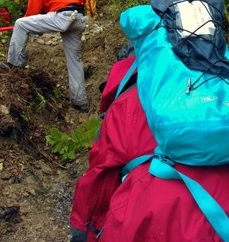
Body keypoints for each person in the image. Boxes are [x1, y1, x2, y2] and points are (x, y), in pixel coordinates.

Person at [70, 55, 229, 241]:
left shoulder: (130, 99)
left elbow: (101, 177)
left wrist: (84, 231)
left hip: (150, 221)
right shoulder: (221, 90)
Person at [7, 0, 89, 111]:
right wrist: (73, 6)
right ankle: (80, 101)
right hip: (78, 17)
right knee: (74, 60)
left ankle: (14, 64)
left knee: (20, 24)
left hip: (62, 16)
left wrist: (29, 24)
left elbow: (33, 9)